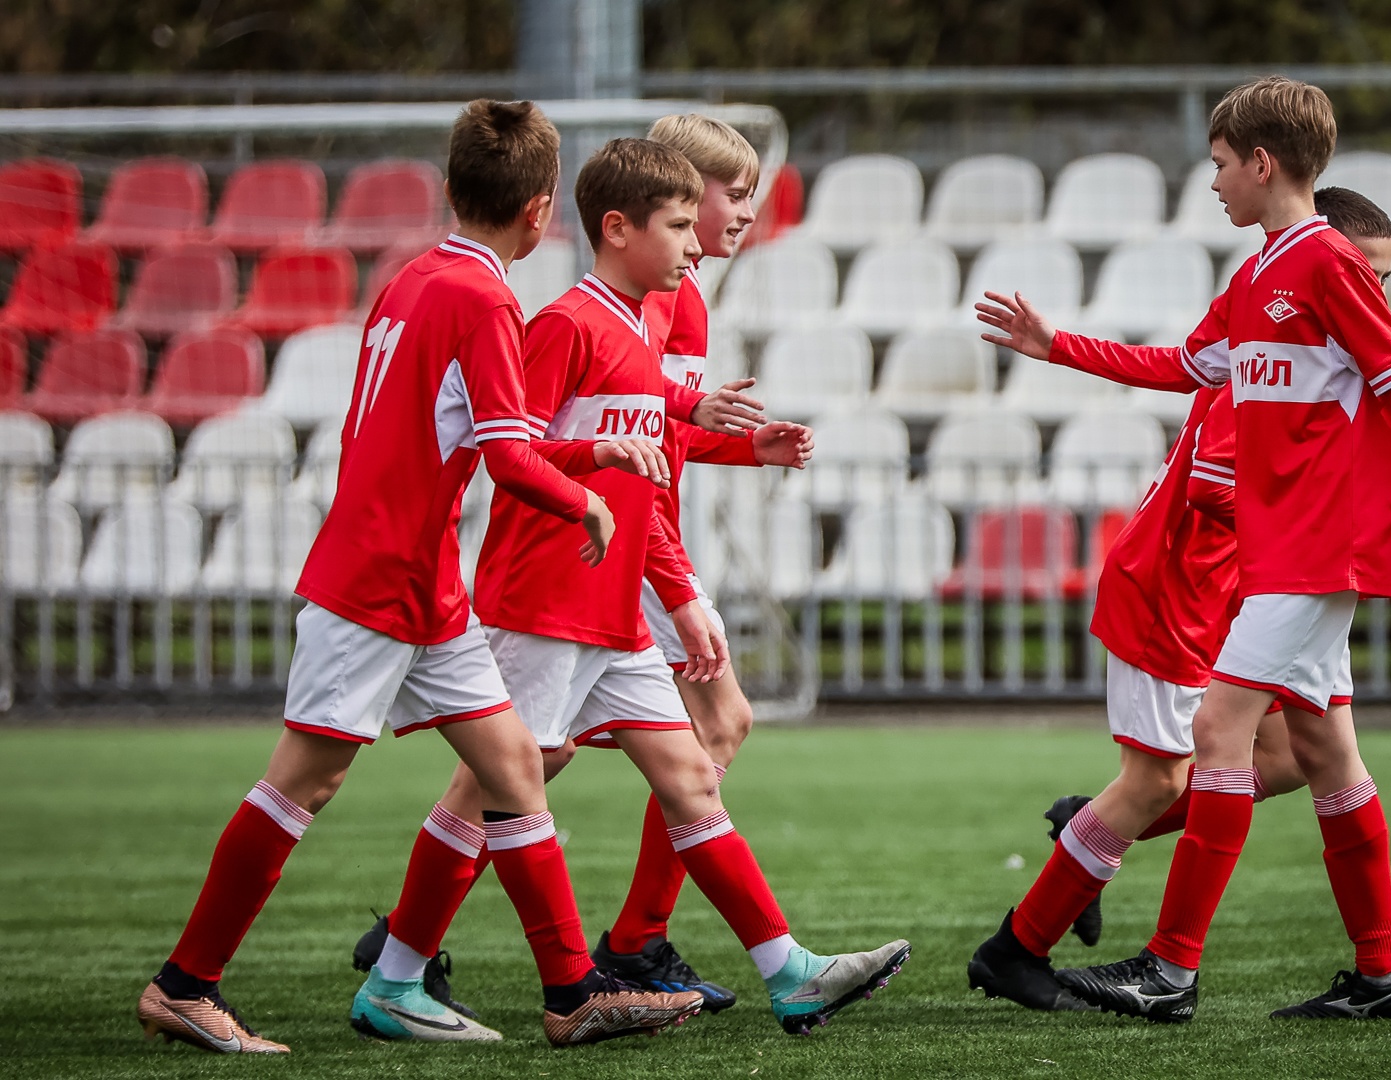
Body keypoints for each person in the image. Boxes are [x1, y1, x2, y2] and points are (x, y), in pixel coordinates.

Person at [136, 100, 705, 1055]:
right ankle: (185, 984)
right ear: (538, 213)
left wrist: (588, 455)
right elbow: (511, 458)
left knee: (516, 767)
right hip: (375, 579)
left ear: (452, 189)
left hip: (421, 581)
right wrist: (593, 486)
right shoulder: (485, 300)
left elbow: (484, 441)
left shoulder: (416, 277)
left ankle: (572, 992)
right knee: (305, 781)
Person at [357, 137, 909, 1039]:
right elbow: (516, 456)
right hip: (544, 600)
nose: (698, 245)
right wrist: (622, 490)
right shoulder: (566, 323)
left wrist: (729, 447)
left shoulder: (644, 324)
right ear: (618, 230)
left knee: (693, 771)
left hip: (612, 611)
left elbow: (649, 450)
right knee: (495, 785)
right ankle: (400, 973)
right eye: (683, 224)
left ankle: (789, 971)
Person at [977, 76, 1391, 1022]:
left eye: (1220, 165)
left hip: (1312, 552)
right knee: (1325, 754)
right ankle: (1386, 973)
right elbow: (1181, 366)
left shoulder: (1329, 263)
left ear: (1262, 164)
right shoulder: (1259, 275)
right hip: (1284, 555)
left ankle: (1169, 970)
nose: (1213, 182)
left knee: (1218, 735)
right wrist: (1059, 346)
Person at [967, 185, 1391, 1014]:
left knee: (1294, 757)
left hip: (1248, 591)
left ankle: (1382, 971)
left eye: (1384, 281)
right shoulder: (1283, 364)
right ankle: (1025, 947)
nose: (1372, 297)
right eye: (1364, 277)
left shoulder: (1305, 351)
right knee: (1160, 779)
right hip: (1181, 589)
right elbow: (1213, 486)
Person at [589, 112, 816, 1011]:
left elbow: (667, 433)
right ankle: (636, 941)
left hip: (637, 538)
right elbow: (640, 438)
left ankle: (412, 937)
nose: (745, 214)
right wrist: (679, 586)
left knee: (531, 751)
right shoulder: (659, 294)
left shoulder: (672, 292)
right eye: (735, 194)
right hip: (634, 544)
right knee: (710, 727)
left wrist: (745, 446)